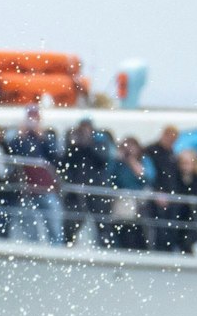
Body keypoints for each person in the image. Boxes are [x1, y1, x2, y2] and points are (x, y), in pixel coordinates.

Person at [55, 118, 112, 246]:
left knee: (102, 225)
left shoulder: (100, 142)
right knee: (71, 224)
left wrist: (88, 144)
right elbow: (63, 162)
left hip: (96, 190)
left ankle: (105, 247)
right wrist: (72, 144)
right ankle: (68, 245)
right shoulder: (74, 145)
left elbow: (103, 159)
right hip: (76, 191)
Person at [8, 106, 60, 241]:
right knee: (30, 230)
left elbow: (55, 157)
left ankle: (56, 253)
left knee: (54, 228)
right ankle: (33, 254)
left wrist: (42, 137)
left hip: (47, 189)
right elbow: (12, 153)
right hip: (27, 190)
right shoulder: (19, 139)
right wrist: (21, 136)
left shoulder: (47, 138)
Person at [150, 148, 197, 254]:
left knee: (188, 242)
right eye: (183, 163)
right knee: (167, 239)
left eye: (188, 163)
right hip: (174, 216)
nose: (185, 166)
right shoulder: (173, 176)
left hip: (191, 218)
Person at [102, 137, 151, 250]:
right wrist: (117, 159)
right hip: (122, 199)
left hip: (140, 199)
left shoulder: (144, 160)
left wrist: (132, 161)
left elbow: (146, 177)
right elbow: (109, 177)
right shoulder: (117, 163)